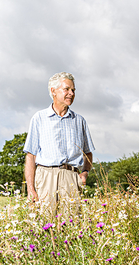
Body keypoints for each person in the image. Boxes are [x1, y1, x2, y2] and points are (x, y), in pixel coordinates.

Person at [23, 72, 95, 211]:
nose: (71, 93)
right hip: (46, 177)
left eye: (73, 90)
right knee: (46, 223)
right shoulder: (39, 118)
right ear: (53, 91)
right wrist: (30, 189)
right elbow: (31, 156)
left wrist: (85, 173)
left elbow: (88, 153)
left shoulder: (79, 120)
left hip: (72, 177)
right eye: (66, 89)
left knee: (72, 225)